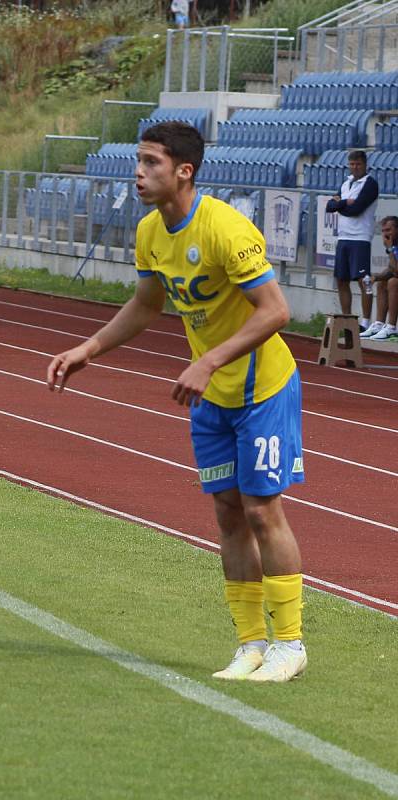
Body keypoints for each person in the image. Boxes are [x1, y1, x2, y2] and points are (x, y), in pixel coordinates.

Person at [47, 121, 307, 683]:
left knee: (263, 509)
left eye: (150, 163)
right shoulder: (149, 231)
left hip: (262, 388)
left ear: (183, 171)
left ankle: (290, 643)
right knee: (228, 513)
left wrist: (210, 358)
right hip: (209, 394)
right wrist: (90, 347)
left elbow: (276, 311)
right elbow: (146, 304)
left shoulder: (224, 228)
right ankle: (251, 643)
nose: (137, 173)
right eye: (137, 162)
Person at [326, 150, 379, 332]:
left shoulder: (370, 184)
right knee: (342, 280)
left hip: (360, 237)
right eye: (352, 164)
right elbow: (329, 206)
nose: (355, 167)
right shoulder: (346, 183)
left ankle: (365, 322)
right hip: (343, 236)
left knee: (363, 280)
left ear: (365, 165)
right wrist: (343, 203)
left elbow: (356, 209)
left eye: (358, 164)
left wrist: (340, 204)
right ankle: (347, 319)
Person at [360, 215, 398, 342]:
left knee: (393, 282)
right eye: (383, 231)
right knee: (381, 282)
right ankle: (379, 324)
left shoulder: (392, 246)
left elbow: (396, 271)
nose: (385, 234)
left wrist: (389, 248)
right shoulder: (394, 244)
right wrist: (375, 277)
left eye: (389, 230)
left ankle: (392, 328)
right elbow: (391, 269)